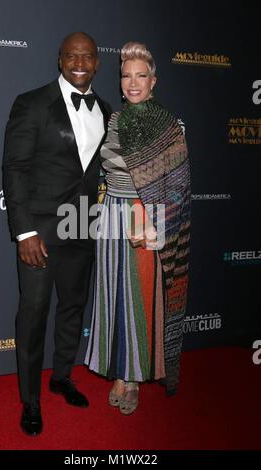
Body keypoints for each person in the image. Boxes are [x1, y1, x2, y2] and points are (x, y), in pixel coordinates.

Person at [3, 32, 111, 435]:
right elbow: (14, 169)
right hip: (40, 232)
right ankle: (30, 401)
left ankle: (61, 376)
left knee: (72, 308)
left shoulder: (106, 108)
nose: (79, 62)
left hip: (82, 226)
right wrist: (25, 231)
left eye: (87, 56)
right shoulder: (32, 103)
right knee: (33, 316)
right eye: (71, 55)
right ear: (60, 59)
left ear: (97, 63)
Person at [85, 42, 191, 415]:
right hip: (111, 216)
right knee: (113, 296)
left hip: (142, 218)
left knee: (138, 300)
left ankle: (130, 378)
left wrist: (151, 221)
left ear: (153, 81)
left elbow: (178, 184)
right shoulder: (114, 120)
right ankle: (119, 369)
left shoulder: (168, 124)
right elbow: (106, 172)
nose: (133, 83)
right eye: (126, 76)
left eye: (140, 76)